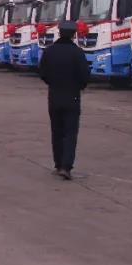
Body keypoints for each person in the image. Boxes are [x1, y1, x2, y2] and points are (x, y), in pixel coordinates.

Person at [38, 20, 91, 180]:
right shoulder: (78, 53)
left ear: (59, 32)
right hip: (72, 97)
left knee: (57, 131)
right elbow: (85, 76)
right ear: (74, 34)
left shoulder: (49, 51)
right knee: (70, 133)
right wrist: (78, 86)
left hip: (54, 97)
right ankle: (66, 167)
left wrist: (53, 84)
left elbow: (43, 73)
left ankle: (58, 163)